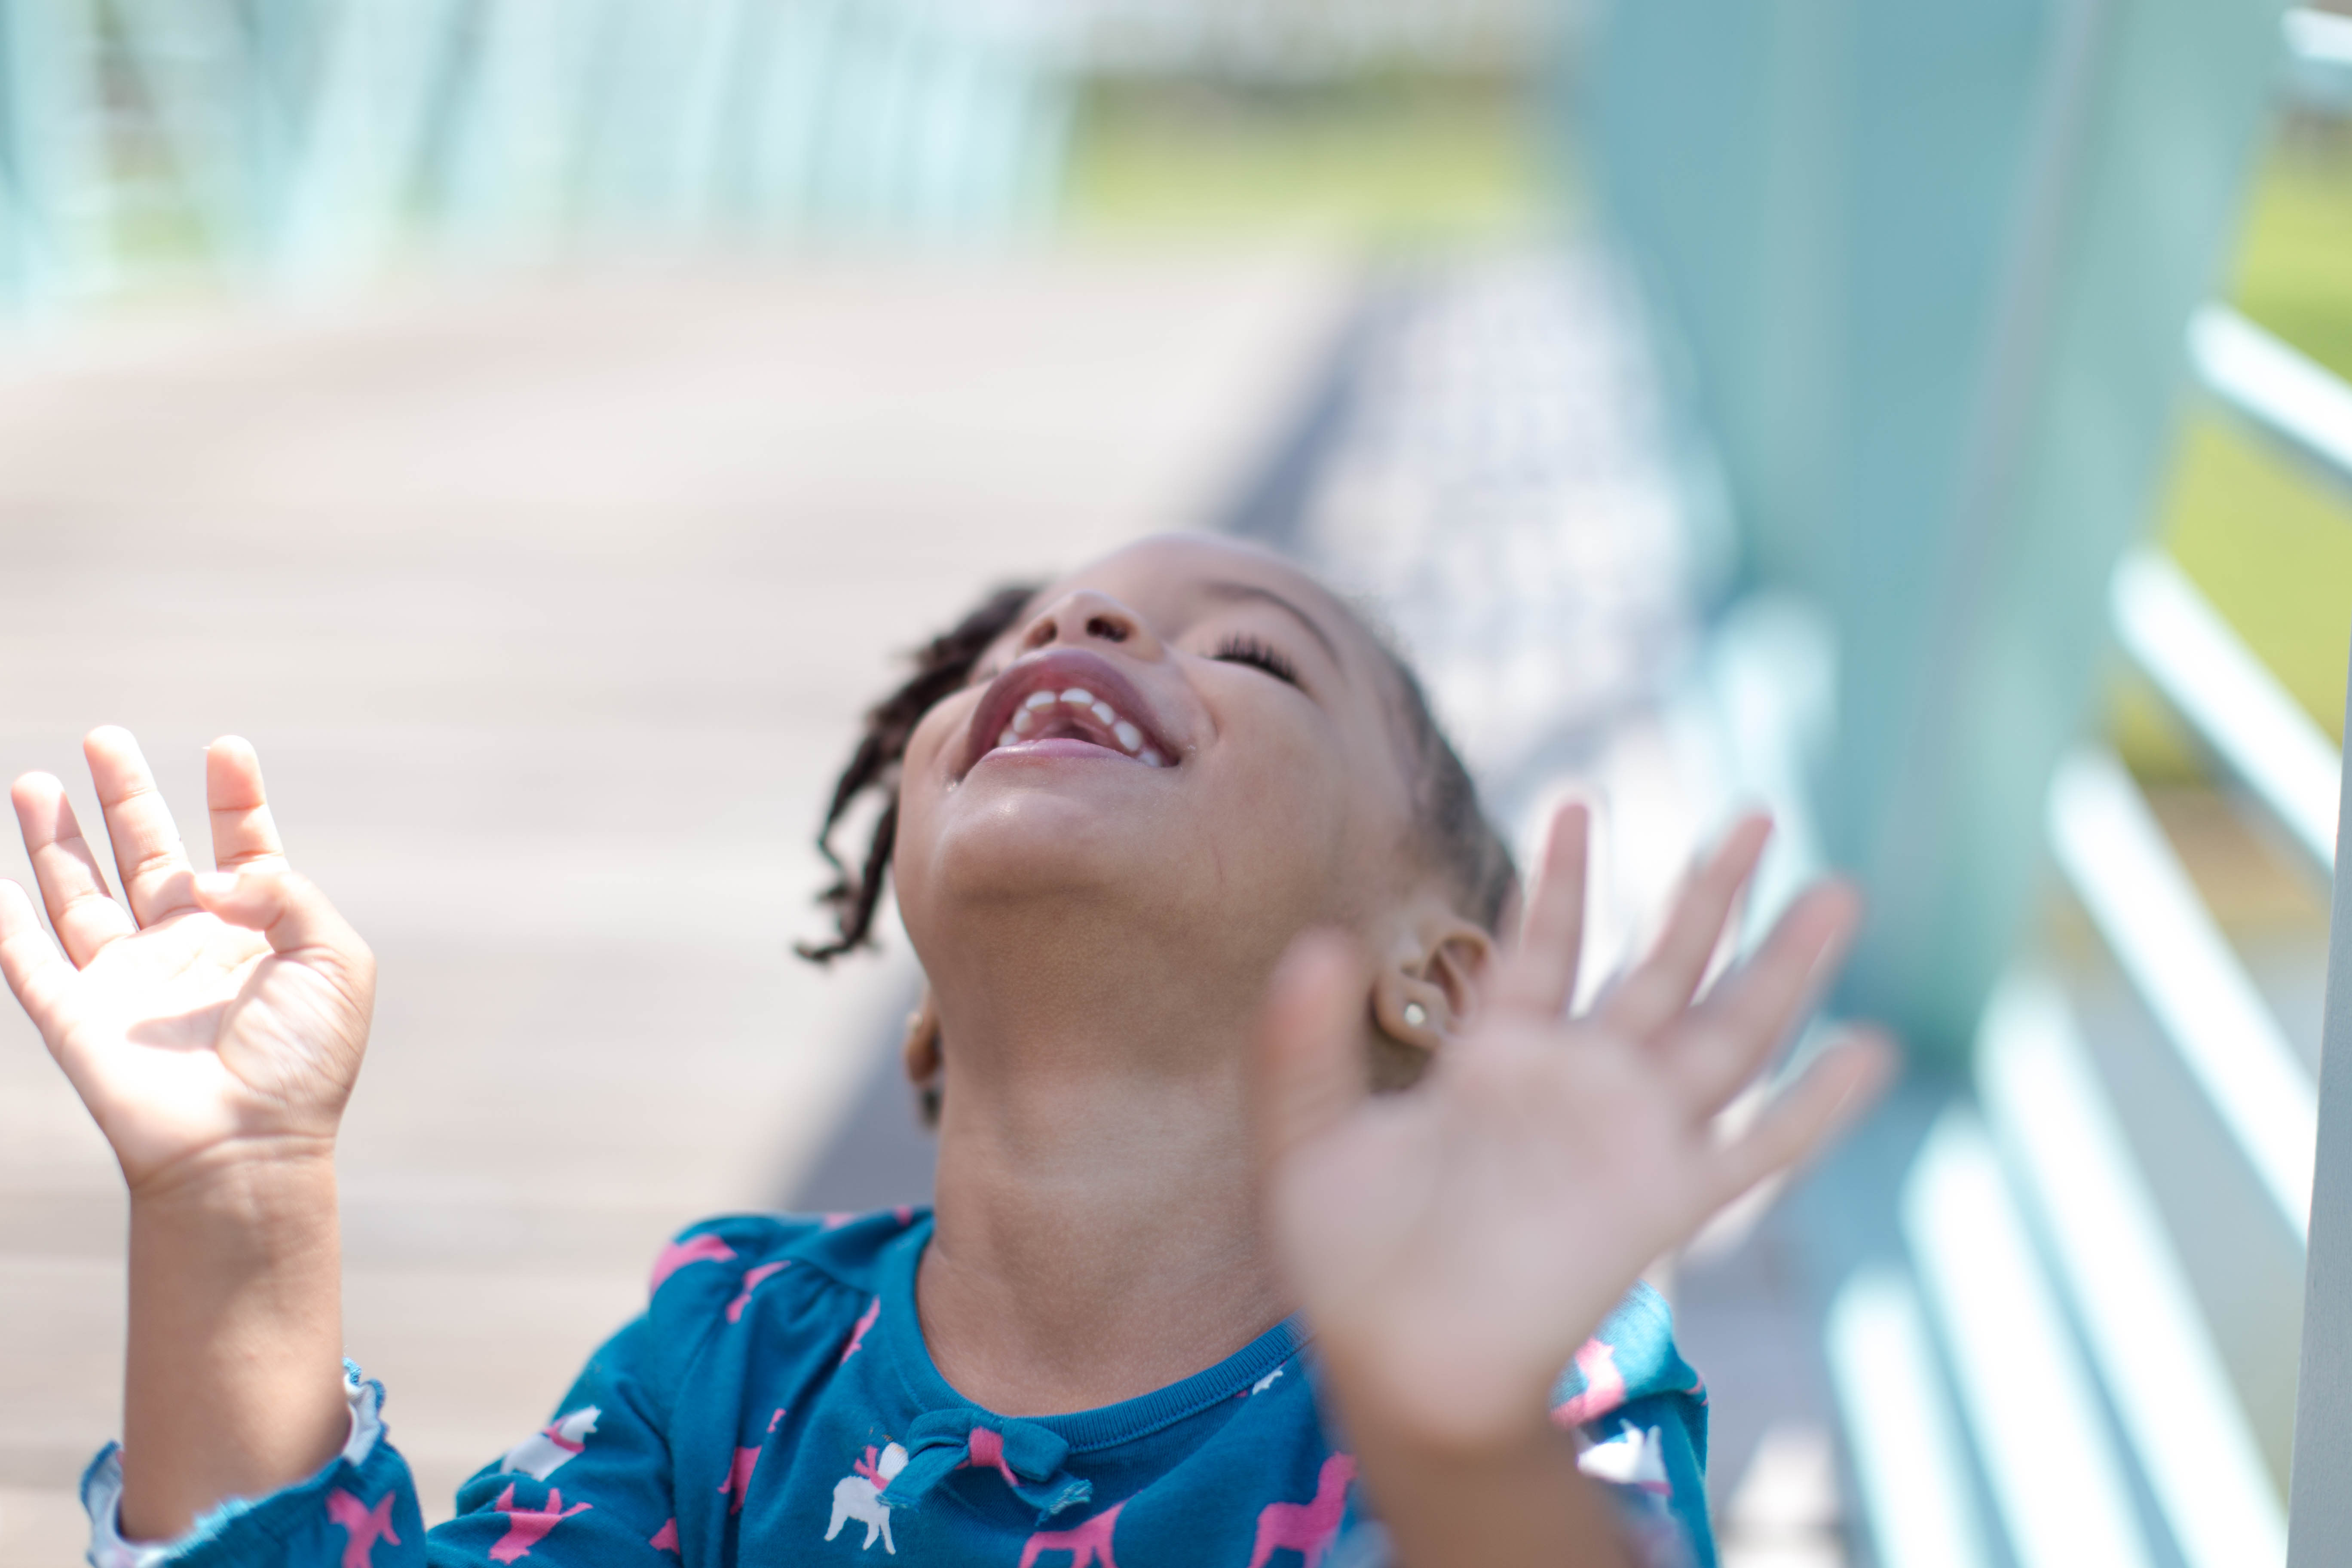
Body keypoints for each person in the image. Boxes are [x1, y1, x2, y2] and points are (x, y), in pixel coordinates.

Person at [0, 534, 1887, 1568]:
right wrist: (239, 1207)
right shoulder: (730, 1360)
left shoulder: (1502, 1364)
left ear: (1439, 985)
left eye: (1254, 656)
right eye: (1033, 637)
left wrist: (1464, 1453)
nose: (1087, 620)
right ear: (919, 1005)